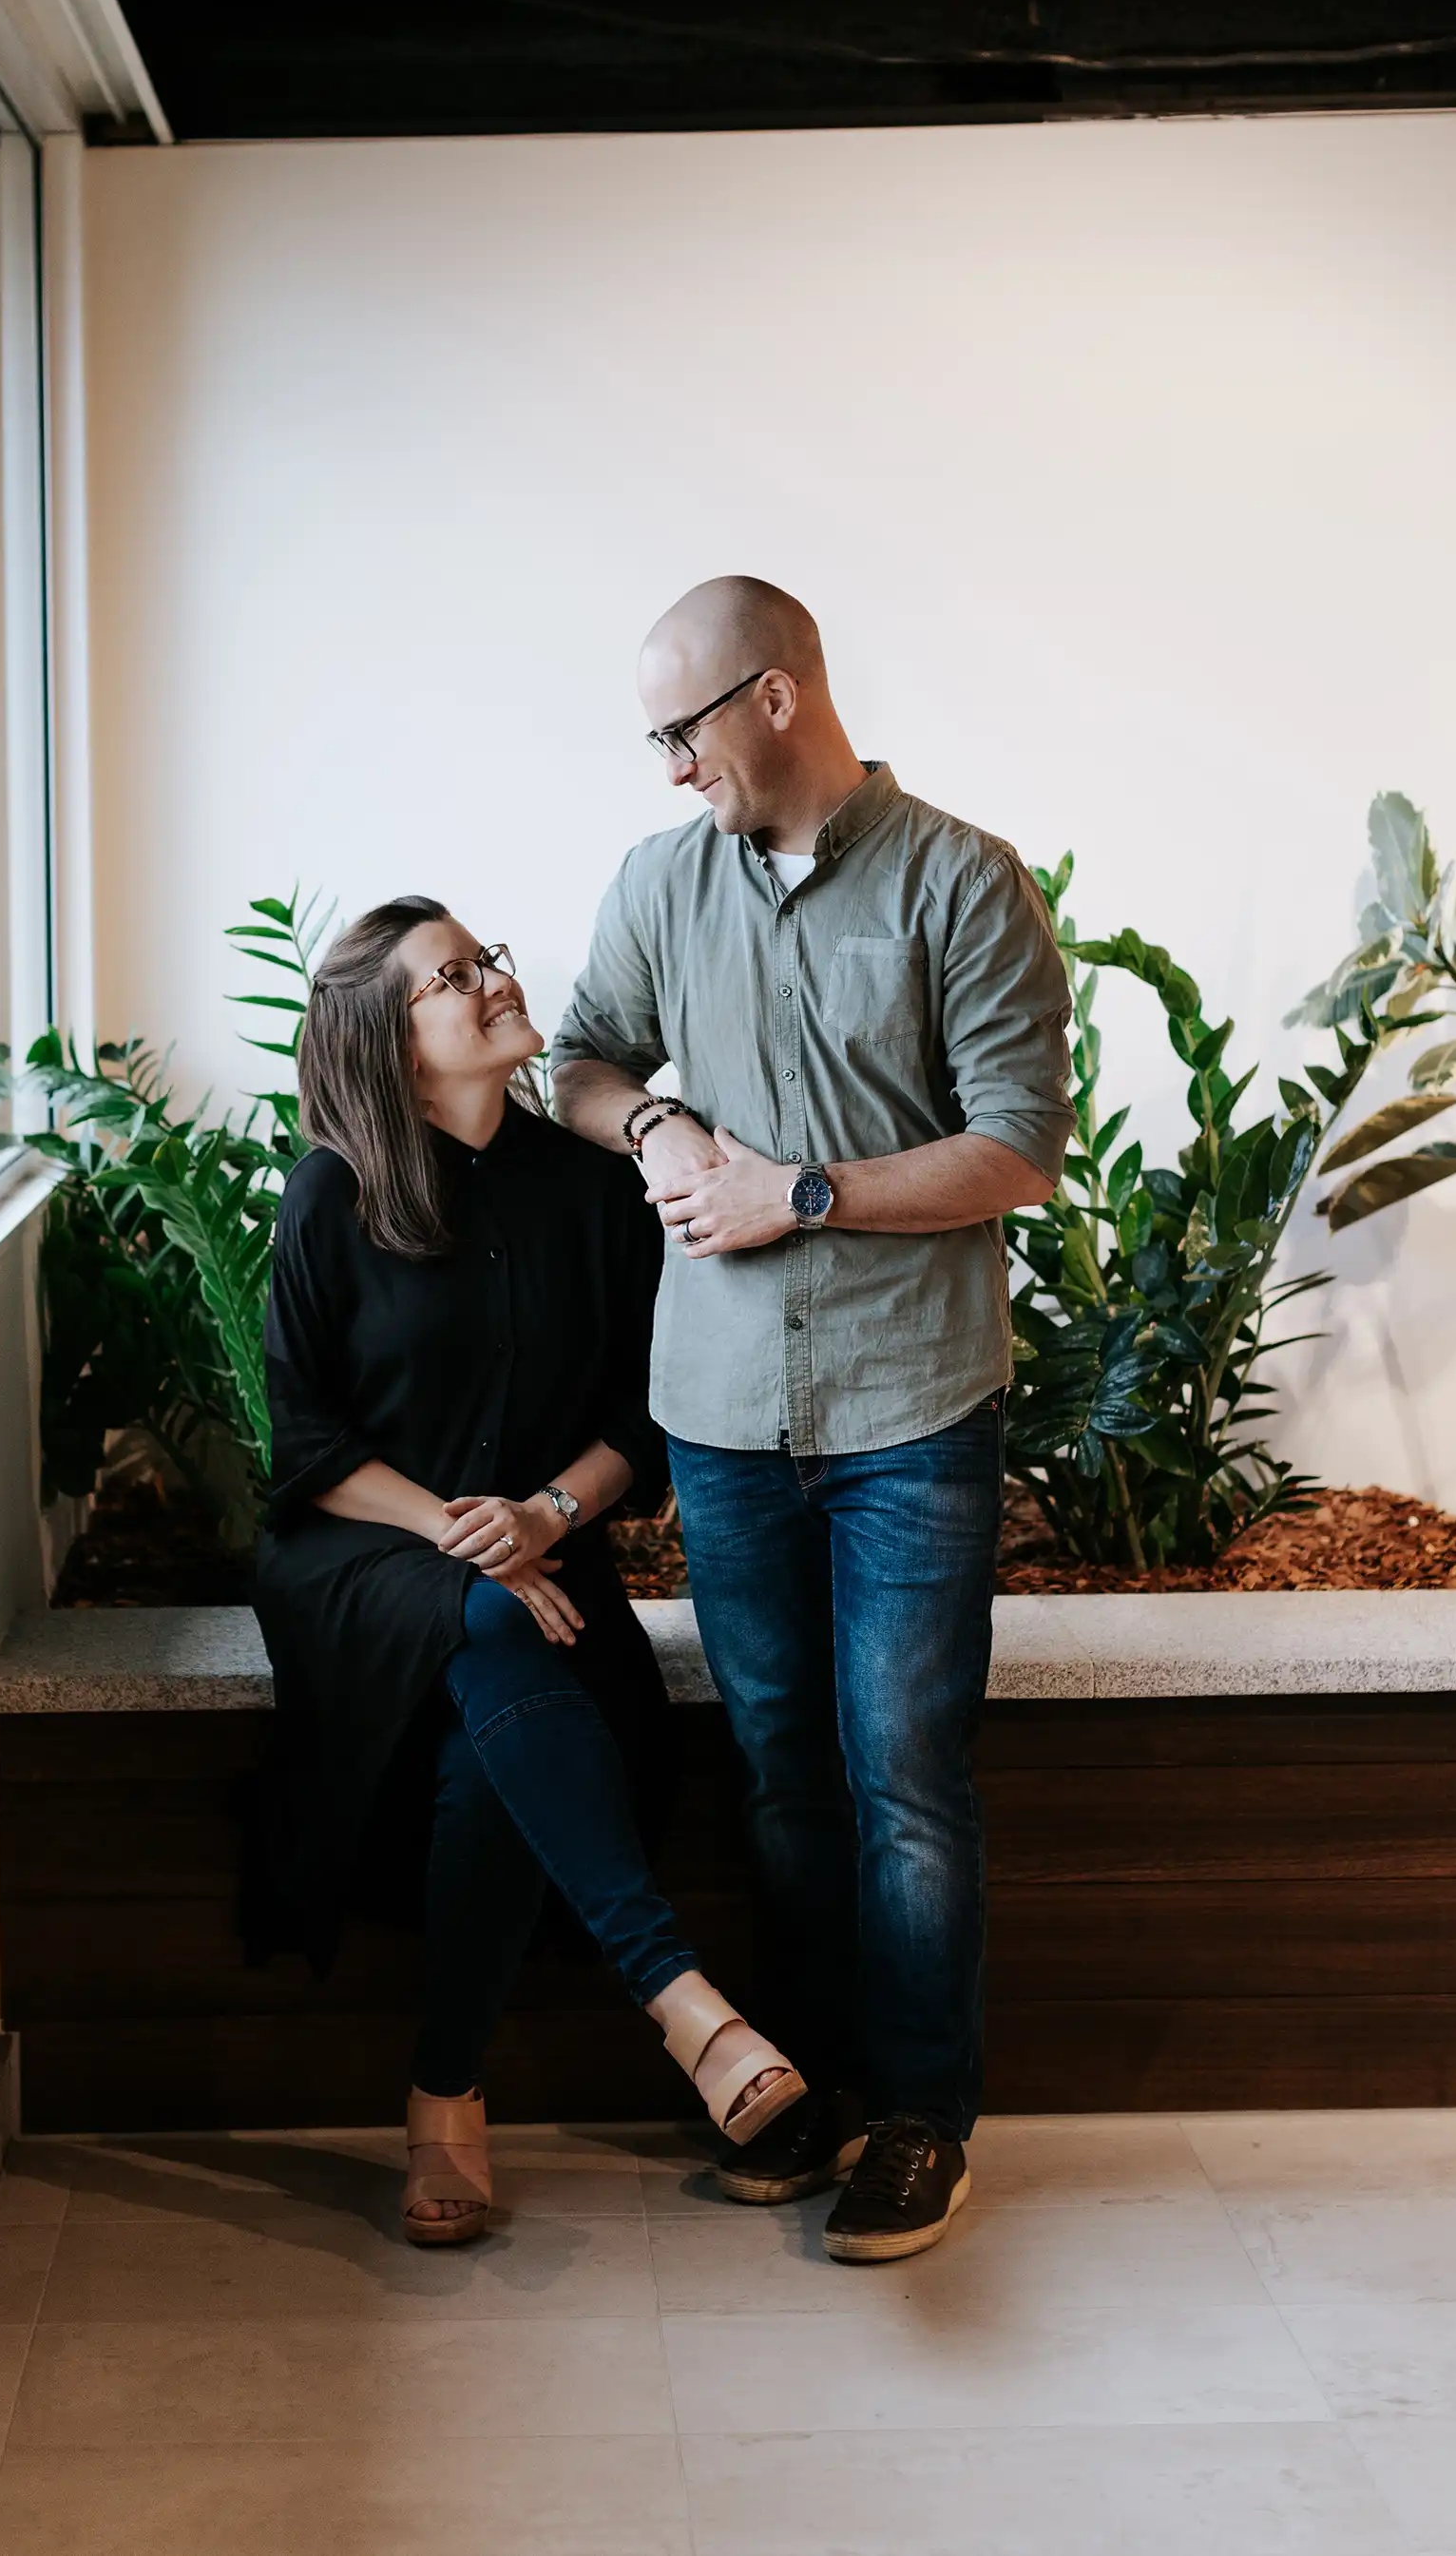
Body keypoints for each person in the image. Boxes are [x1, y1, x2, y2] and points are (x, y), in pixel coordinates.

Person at [551, 577, 1073, 2263]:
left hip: (912, 1408)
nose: (669, 769)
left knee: (905, 1772)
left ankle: (924, 2116)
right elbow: (579, 1063)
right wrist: (661, 1132)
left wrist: (806, 1190)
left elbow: (1016, 1149)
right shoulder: (659, 882)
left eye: (680, 731)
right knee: (781, 1769)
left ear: (773, 700)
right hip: (718, 1416)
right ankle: (821, 2091)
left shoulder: (962, 881)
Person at [253, 894, 805, 2248]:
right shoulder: (335, 1190)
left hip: (542, 1562)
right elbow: (307, 1443)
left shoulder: (586, 1189)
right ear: (393, 1039)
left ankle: (446, 2093)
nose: (496, 981)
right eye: (456, 976)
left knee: (498, 1710)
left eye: (486, 957)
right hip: (361, 1557)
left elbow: (643, 1410)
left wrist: (550, 1512)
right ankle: (684, 2001)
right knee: (503, 1621)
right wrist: (461, 1525)